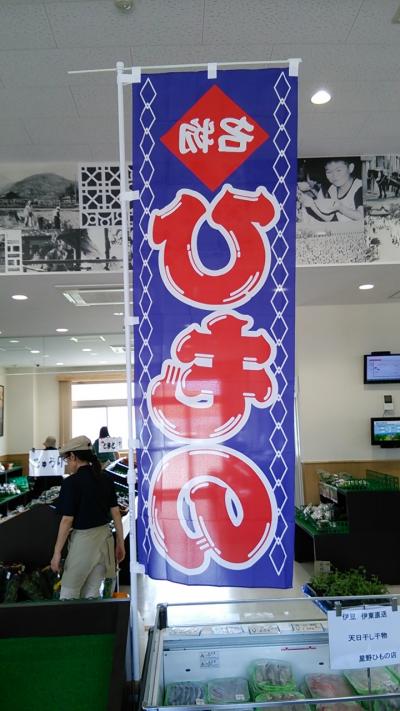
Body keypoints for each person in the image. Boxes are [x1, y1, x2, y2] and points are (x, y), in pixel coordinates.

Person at [50, 435, 125, 599]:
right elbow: (116, 513)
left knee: (68, 594)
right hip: (105, 543)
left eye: (67, 459)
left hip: (83, 544)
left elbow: (67, 520)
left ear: (73, 457)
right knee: (92, 594)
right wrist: (120, 543)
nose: (67, 464)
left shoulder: (71, 483)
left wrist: (56, 553)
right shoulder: (105, 478)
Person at [299, 158, 363, 223]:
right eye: (329, 172)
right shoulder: (332, 189)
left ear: (350, 168)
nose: (334, 176)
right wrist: (311, 204)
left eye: (338, 170)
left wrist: (340, 207)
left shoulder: (359, 187)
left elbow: (361, 216)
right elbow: (330, 218)